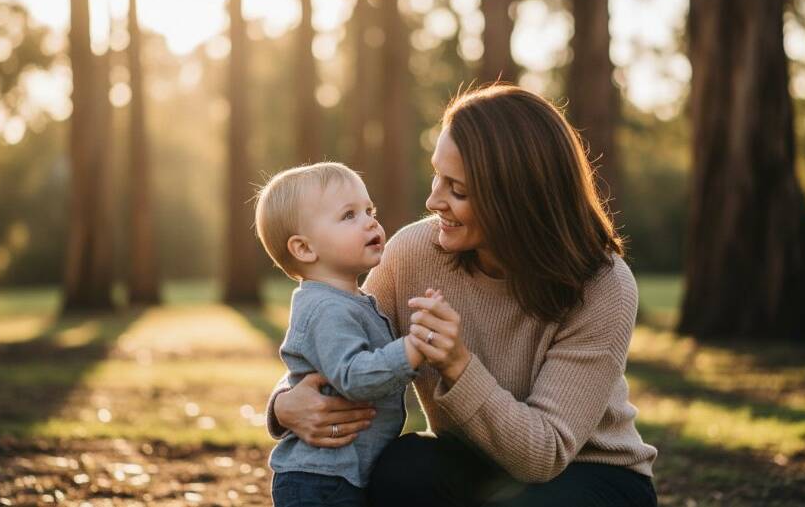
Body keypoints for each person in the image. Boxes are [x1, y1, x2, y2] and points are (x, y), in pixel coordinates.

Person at [266, 84, 659, 506]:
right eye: (437, 175)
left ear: (515, 200)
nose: (433, 200)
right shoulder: (411, 253)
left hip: (589, 473)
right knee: (404, 467)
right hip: (473, 463)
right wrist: (283, 405)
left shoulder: (602, 285)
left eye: (458, 190)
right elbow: (340, 344)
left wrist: (457, 363)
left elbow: (544, 457)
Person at [253, 162, 431, 507]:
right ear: (304, 248)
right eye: (349, 215)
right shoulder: (325, 309)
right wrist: (411, 349)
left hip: (343, 475)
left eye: (369, 210)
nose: (370, 222)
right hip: (319, 482)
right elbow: (354, 377)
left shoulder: (352, 301)